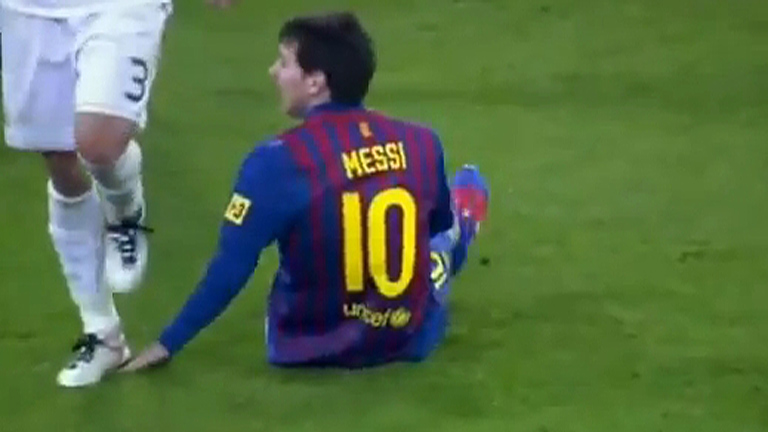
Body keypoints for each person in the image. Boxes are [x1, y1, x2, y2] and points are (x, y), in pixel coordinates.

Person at [122, 11, 490, 371]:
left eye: (284, 63)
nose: (273, 72)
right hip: (405, 339)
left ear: (315, 82)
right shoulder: (422, 141)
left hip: (306, 348)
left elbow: (230, 268)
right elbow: (436, 224)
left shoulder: (274, 161)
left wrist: (166, 343)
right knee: (442, 239)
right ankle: (467, 215)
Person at [0, 0, 173, 387]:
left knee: (98, 145)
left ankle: (125, 209)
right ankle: (103, 333)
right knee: (60, 162)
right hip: (28, 12)